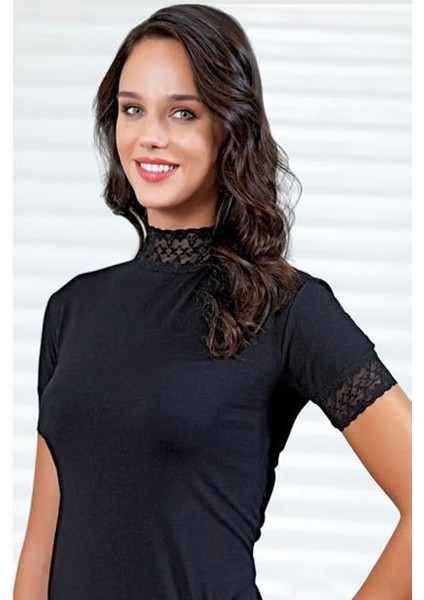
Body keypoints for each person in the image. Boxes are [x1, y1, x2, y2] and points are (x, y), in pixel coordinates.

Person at [14, 4, 412, 599]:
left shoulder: (286, 308)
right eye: (132, 109)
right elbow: (40, 544)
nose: (150, 135)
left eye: (183, 112)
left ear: (229, 126)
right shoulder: (71, 310)